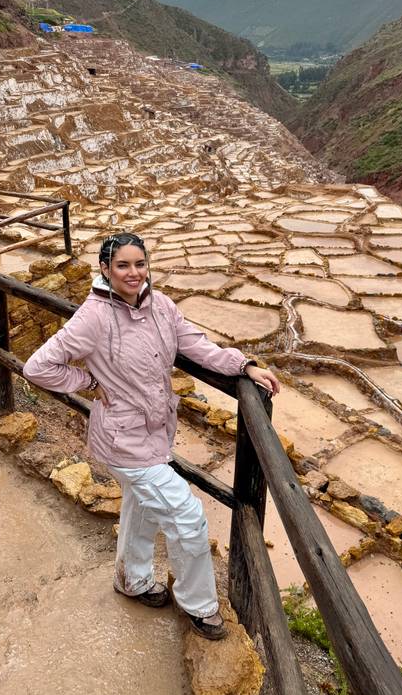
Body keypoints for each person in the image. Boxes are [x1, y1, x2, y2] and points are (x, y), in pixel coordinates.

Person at [23, 231, 280, 640]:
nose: (133, 273)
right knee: (188, 516)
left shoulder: (161, 306)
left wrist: (244, 365)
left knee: (141, 510)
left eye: (139, 264)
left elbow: (196, 346)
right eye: (122, 265)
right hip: (123, 441)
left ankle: (133, 580)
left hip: (155, 434)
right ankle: (201, 607)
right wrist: (88, 381)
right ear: (105, 269)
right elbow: (37, 367)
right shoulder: (94, 317)